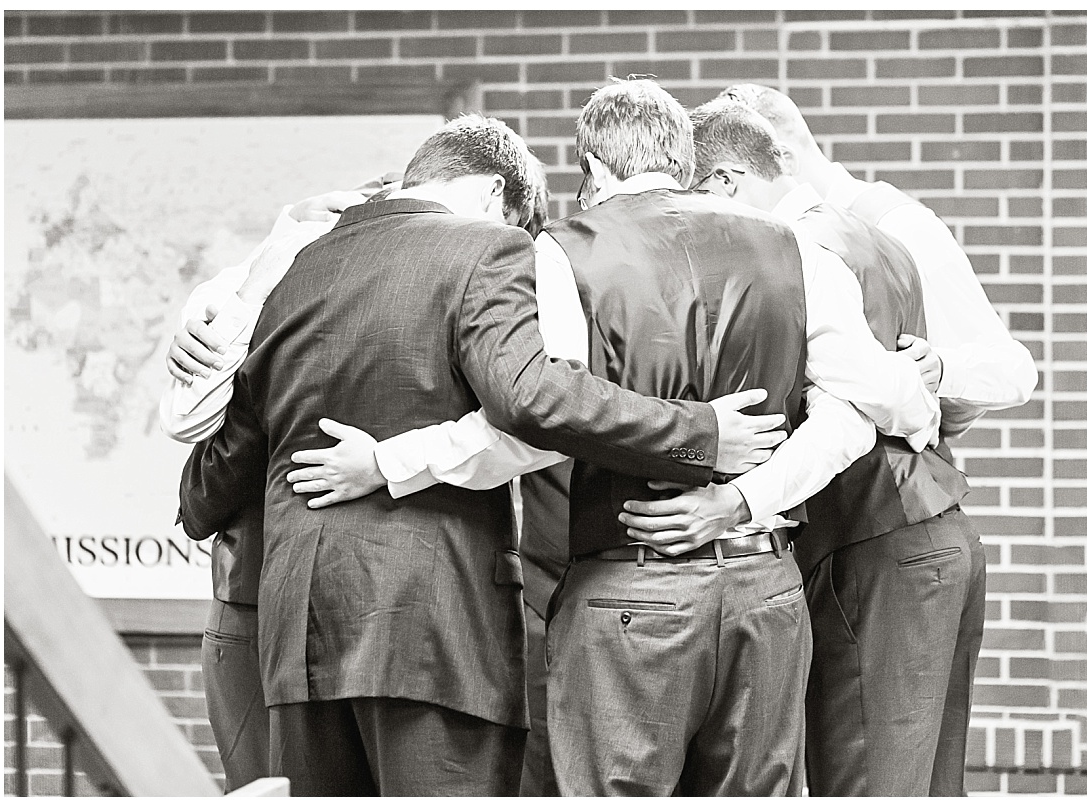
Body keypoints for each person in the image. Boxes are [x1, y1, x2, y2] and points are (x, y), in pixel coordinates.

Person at [286, 79, 941, 796]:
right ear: (685, 160)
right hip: (767, 588)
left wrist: (388, 461)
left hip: (630, 594)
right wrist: (744, 501)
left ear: (594, 169)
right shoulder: (797, 250)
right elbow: (857, 412)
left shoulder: (562, 252)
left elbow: (532, 426)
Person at [175, 113, 782, 797]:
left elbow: (221, 452)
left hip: (298, 630)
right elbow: (529, 399)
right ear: (498, 195)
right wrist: (695, 431)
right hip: (433, 628)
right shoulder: (486, 249)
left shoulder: (295, 263)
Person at [716, 84, 1038, 796]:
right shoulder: (871, 241)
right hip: (925, 529)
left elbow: (1005, 369)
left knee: (866, 781)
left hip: (881, 537)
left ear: (747, 163)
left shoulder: (868, 230)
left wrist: (931, 388)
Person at [159, 172, 390, 791]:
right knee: (264, 786)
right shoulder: (238, 290)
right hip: (252, 598)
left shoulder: (411, 309)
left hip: (376, 606)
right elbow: (185, 422)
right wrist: (276, 246)